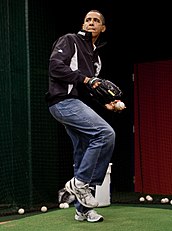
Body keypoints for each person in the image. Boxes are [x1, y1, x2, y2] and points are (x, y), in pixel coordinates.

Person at [46, 9, 124, 223]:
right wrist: (86, 80)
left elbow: (90, 89)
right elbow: (55, 68)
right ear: (83, 24)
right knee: (105, 134)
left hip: (76, 104)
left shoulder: (96, 58)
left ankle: (82, 209)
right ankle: (78, 183)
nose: (91, 23)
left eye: (96, 20)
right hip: (62, 101)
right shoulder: (69, 40)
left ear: (103, 28)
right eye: (88, 20)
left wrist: (107, 103)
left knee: (83, 152)